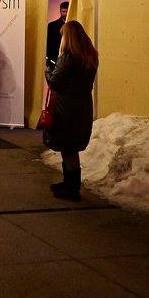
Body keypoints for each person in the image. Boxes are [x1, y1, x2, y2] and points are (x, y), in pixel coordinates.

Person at [44, 19, 99, 202]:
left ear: (68, 37)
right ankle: (68, 183)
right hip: (82, 105)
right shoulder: (90, 56)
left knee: (67, 147)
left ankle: (72, 188)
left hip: (67, 107)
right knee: (71, 146)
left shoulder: (69, 56)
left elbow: (55, 82)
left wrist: (48, 70)